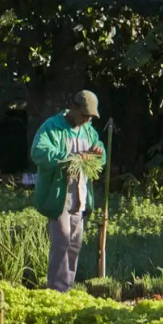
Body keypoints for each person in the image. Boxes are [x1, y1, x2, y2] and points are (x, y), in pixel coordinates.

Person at [31, 90, 107, 292]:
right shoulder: (52, 127)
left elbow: (101, 155)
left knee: (74, 244)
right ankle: (56, 292)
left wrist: (98, 151)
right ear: (73, 108)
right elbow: (38, 152)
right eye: (84, 115)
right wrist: (71, 157)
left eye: (90, 117)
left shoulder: (88, 130)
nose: (87, 119)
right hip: (59, 196)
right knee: (62, 241)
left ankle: (66, 287)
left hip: (80, 195)